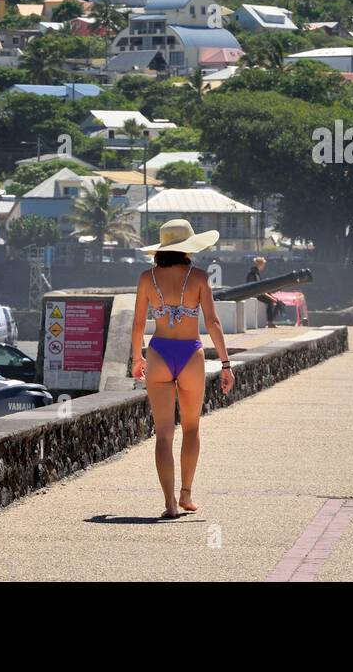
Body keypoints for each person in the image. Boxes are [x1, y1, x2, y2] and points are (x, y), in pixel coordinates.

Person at [131, 218, 234, 520]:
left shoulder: (146, 278)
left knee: (163, 434)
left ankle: (169, 504)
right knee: (191, 427)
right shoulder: (200, 277)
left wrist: (138, 358)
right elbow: (213, 323)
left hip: (159, 351)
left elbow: (138, 323)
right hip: (191, 354)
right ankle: (186, 494)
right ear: (188, 247)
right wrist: (226, 364)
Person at [246, 256, 279, 327]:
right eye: (263, 265)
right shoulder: (254, 273)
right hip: (255, 294)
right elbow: (254, 286)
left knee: (271, 299)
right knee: (270, 301)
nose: (264, 266)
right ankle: (270, 322)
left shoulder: (255, 272)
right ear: (260, 264)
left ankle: (270, 321)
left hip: (257, 293)